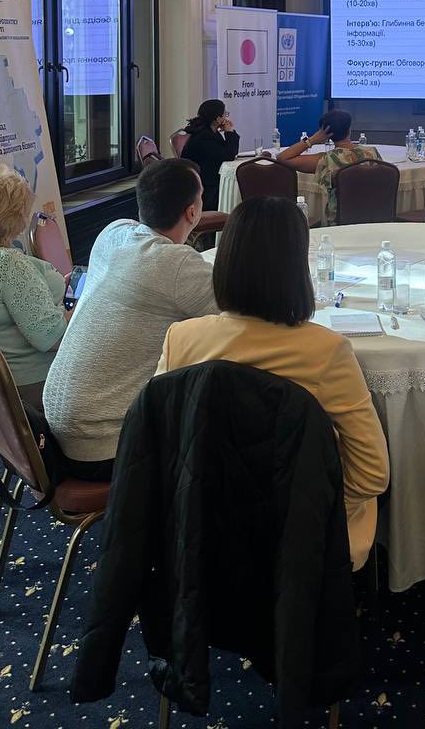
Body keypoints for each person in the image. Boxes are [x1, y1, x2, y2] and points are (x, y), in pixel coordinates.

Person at [155, 197, 389, 570]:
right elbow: (372, 473)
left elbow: (159, 444)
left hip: (204, 533)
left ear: (224, 261)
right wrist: (307, 511)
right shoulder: (326, 352)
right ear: (297, 268)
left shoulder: (180, 339)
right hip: (301, 544)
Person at [44, 159, 217, 480]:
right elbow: (241, 316)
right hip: (102, 444)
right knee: (219, 414)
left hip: (58, 423)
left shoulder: (113, 232)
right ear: (192, 212)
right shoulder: (175, 264)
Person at [0, 165, 70, 410]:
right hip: (40, 384)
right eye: (23, 211)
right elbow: (51, 338)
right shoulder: (5, 263)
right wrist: (81, 308)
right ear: (11, 217)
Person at [274, 109, 380, 226]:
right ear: (349, 130)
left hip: (339, 221)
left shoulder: (327, 160)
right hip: (375, 216)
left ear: (325, 134)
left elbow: (282, 158)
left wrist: (311, 140)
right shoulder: (372, 153)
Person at [179, 99, 240, 210]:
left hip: (206, 177)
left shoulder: (210, 131)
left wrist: (229, 133)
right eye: (225, 114)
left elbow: (225, 151)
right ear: (218, 119)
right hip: (203, 186)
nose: (226, 117)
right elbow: (228, 155)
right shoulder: (204, 137)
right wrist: (229, 132)